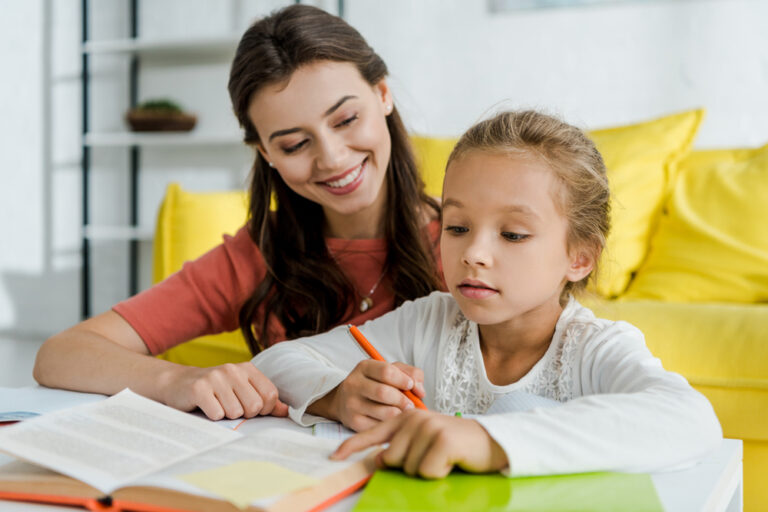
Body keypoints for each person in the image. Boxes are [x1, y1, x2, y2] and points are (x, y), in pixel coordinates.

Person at [251, 110, 722, 478]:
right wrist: (337, 395)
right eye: (457, 227)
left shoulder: (593, 349)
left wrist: (484, 439)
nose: (473, 253)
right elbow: (274, 362)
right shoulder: (428, 321)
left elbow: (691, 421)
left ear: (579, 257)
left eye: (513, 234)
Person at [33, 5, 442, 422]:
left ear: (383, 94)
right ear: (266, 153)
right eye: (294, 144)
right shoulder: (260, 255)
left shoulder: (471, 242)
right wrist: (177, 381)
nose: (332, 158)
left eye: (347, 119)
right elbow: (60, 354)